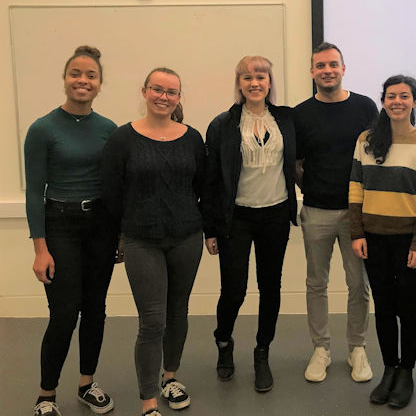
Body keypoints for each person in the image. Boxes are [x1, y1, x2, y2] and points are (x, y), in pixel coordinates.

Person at [101, 67, 205, 416]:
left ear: (178, 98)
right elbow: (112, 193)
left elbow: (201, 187)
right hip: (141, 239)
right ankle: (148, 401)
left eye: (171, 92)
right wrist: (118, 236)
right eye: (157, 89)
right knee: (152, 320)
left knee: (178, 312)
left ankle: (170, 378)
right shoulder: (122, 139)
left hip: (186, 237)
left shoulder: (192, 138)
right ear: (145, 91)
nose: (163, 97)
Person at [24, 45, 118, 416]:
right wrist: (40, 249)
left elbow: (114, 187)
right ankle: (46, 395)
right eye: (76, 74)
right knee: (64, 313)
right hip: (60, 225)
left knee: (95, 309)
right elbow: (34, 192)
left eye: (90, 75)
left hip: (100, 227)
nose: (83, 80)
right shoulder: (43, 129)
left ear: (99, 84)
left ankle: (86, 384)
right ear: (65, 79)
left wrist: (120, 234)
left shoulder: (109, 129)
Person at [202, 56, 298, 393]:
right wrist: (210, 229)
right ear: (239, 84)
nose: (254, 82)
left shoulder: (286, 119)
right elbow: (211, 181)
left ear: (270, 82)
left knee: (271, 287)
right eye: (247, 77)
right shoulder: (223, 124)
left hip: (275, 215)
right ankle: (224, 342)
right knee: (235, 289)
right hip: (236, 219)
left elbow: (299, 163)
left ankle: (262, 352)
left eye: (261, 76)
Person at [349, 75, 416, 409]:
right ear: (383, 101)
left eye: (404, 96)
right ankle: (389, 369)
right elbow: (356, 188)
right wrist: (356, 233)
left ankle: (407, 372)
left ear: (415, 102)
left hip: (409, 243)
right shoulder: (367, 140)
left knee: (408, 307)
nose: (397, 102)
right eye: (391, 96)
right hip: (373, 239)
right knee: (384, 308)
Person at [294, 42, 378, 383]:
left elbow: (376, 156)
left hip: (358, 214)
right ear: (312, 72)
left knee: (359, 284)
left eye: (333, 64)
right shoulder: (301, 114)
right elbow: (297, 164)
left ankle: (357, 348)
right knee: (317, 282)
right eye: (320, 65)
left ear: (344, 69)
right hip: (316, 211)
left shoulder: (365, 107)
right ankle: (321, 349)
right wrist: (312, 188)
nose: (327, 70)